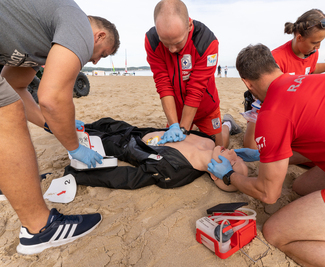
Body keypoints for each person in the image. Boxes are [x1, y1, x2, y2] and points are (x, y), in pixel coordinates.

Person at [208, 44, 325, 266]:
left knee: (276, 232)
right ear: (274, 67)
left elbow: (268, 194)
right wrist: (263, 155)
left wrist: (230, 175)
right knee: (301, 186)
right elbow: (321, 139)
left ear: (247, 83)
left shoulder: (272, 113)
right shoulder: (313, 81)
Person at [0, 0, 119, 255]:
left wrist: (51, 125)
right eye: (103, 54)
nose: (96, 62)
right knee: (7, 116)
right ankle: (40, 230)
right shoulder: (78, 25)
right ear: (98, 36)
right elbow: (52, 98)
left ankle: (7, 183)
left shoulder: (40, 43)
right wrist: (74, 147)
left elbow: (14, 87)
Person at [243, 9, 325, 150]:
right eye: (315, 42)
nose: (318, 46)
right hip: (268, 103)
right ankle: (229, 124)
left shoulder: (312, 52)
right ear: (299, 37)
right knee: (252, 148)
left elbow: (310, 69)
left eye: (320, 42)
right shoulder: (276, 59)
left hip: (294, 105)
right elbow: (266, 92)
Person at [145, 0, 241, 149]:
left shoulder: (207, 42)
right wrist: (176, 125)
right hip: (176, 109)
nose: (171, 50)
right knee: (175, 148)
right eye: (165, 42)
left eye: (178, 42)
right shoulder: (151, 41)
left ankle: (227, 124)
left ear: (189, 26)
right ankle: (188, 127)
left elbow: (196, 90)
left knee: (217, 148)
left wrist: (183, 130)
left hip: (206, 107)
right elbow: (163, 84)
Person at [64, 117, 247, 192]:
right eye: (237, 156)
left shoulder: (176, 171)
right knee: (105, 123)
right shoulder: (208, 141)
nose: (232, 153)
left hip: (124, 145)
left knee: (78, 134)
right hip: (134, 130)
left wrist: (77, 175)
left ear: (215, 174)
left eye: (232, 163)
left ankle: (52, 122)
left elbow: (128, 178)